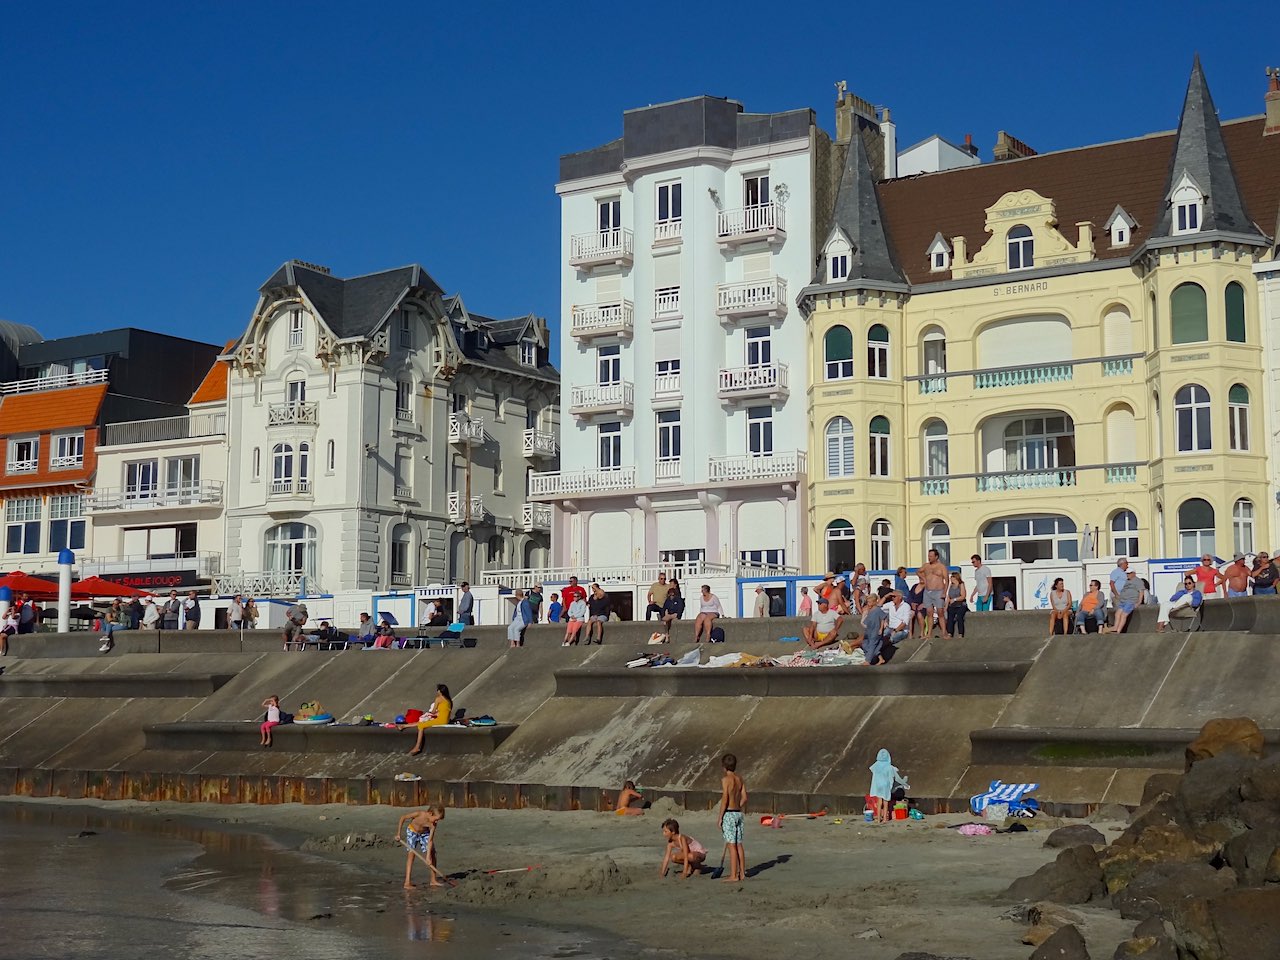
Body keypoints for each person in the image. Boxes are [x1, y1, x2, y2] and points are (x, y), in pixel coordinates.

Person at [398, 805, 446, 888]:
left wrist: (428, 857)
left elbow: (430, 841)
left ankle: (433, 880)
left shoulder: (433, 825)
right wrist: (398, 834)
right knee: (411, 854)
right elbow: (403, 817)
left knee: (432, 853)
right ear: (430, 814)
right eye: (436, 819)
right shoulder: (419, 814)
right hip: (412, 831)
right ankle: (407, 882)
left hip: (424, 833)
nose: (436, 822)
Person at [717, 753, 747, 883]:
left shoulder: (725, 780)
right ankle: (742, 873)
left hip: (729, 813)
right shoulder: (740, 779)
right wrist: (737, 807)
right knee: (739, 844)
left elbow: (725, 799)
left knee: (731, 846)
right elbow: (745, 798)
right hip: (738, 813)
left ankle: (734, 875)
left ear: (724, 766)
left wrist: (720, 817)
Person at [404, 684, 453, 755]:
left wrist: (430, 713)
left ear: (440, 691)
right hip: (445, 720)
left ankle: (417, 747)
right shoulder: (449, 701)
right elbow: (444, 712)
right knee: (422, 723)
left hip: (441, 720)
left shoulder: (438, 699)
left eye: (437, 690)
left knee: (421, 726)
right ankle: (404, 726)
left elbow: (433, 711)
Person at [868, 748, 908, 824]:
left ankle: (879, 819)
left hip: (878, 785)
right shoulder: (889, 767)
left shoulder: (876, 765)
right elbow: (896, 778)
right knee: (886, 802)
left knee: (879, 802)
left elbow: (872, 769)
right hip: (885, 786)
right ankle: (885, 820)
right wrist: (905, 783)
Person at [919, 549, 949, 640]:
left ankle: (944, 633)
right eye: (928, 556)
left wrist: (944, 592)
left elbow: (947, 580)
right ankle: (929, 634)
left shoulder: (941, 567)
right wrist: (923, 578)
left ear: (936, 557)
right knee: (929, 613)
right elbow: (918, 571)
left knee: (940, 612)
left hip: (938, 591)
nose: (929, 558)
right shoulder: (926, 566)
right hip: (928, 592)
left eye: (931, 556)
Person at [1104, 569, 1144, 634]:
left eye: (1129, 573)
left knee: (1123, 615)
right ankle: (1115, 627)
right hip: (1123, 601)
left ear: (1133, 573)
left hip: (1130, 601)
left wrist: (1139, 602)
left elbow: (1141, 592)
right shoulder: (1127, 581)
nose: (1127, 575)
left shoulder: (1138, 581)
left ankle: (1118, 631)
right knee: (1117, 614)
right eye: (1126, 573)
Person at [857, 594, 890, 665]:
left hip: (875, 630)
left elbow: (883, 618)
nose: (868, 604)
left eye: (870, 602)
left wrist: (881, 629)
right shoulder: (870, 610)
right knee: (865, 644)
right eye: (868, 602)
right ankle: (881, 659)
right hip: (869, 630)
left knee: (872, 645)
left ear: (874, 602)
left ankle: (868, 661)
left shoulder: (878, 610)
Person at [945, 572, 969, 639]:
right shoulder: (951, 585)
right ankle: (949, 633)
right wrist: (946, 606)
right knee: (950, 617)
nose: (951, 579)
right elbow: (948, 596)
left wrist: (955, 599)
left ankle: (960, 633)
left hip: (960, 604)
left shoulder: (961, 584)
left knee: (959, 617)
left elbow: (963, 596)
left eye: (952, 577)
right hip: (952, 605)